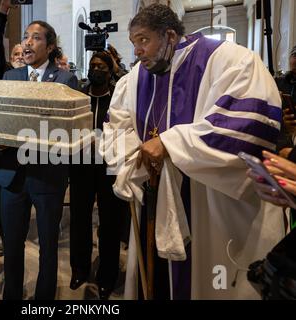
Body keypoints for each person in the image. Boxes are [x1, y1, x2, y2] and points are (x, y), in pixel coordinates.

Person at [101, 4, 283, 299]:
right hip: (153, 196)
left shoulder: (229, 59)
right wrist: (134, 160)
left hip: (208, 205)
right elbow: (116, 126)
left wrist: (171, 144)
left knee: (212, 282)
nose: (137, 51)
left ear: (170, 36)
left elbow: (246, 127)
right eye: (134, 43)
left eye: (144, 40)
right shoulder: (134, 79)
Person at [0, 20, 77, 300]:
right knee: (13, 243)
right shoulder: (10, 77)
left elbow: (67, 130)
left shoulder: (65, 80)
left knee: (48, 244)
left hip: (47, 175)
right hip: (12, 174)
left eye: (36, 38)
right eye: (25, 37)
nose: (28, 42)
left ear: (51, 46)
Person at [69, 51, 128, 300]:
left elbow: (125, 130)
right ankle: (80, 269)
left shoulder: (117, 99)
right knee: (79, 220)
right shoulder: (80, 97)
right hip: (82, 166)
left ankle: (107, 275)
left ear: (110, 70)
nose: (96, 70)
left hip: (109, 169)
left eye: (102, 66)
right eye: (93, 65)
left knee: (109, 223)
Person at [0, 0, 25, 258]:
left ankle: (17, 231)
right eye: (16, 55)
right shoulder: (4, 73)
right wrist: (2, 13)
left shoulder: (35, 80)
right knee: (0, 187)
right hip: (3, 145)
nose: (20, 57)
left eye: (24, 54)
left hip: (28, 144)